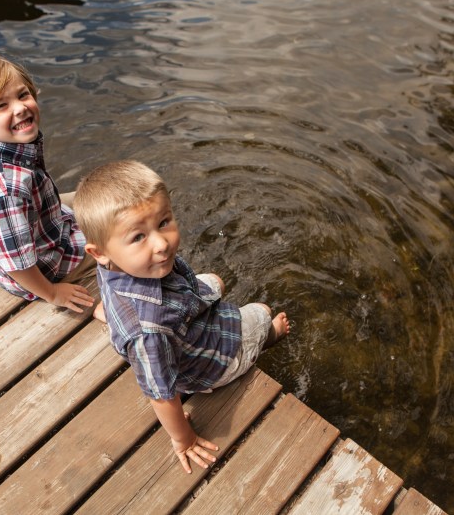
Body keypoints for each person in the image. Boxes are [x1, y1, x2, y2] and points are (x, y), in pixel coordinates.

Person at [73, 160, 291, 474]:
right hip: (210, 358)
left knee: (214, 280)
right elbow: (161, 396)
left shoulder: (117, 265)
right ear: (99, 252)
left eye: (163, 222)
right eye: (138, 237)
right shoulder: (148, 332)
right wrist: (183, 438)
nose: (161, 244)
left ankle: (206, 306)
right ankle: (266, 339)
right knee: (262, 312)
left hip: (176, 309)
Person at [0, 55, 96, 313]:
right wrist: (52, 293)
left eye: (23, 95)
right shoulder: (5, 193)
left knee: (98, 195)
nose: (19, 108)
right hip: (40, 269)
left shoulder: (4, 151)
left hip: (34, 226)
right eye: (1, 106)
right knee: (116, 239)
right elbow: (16, 262)